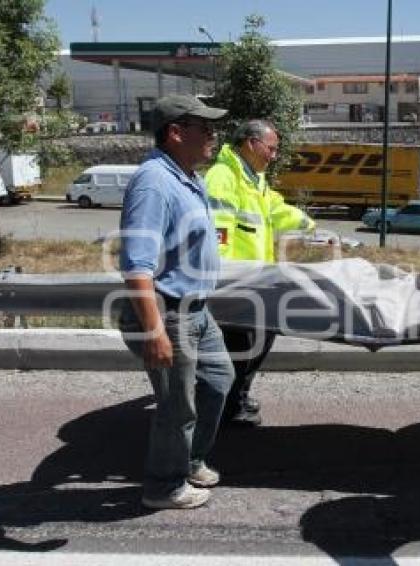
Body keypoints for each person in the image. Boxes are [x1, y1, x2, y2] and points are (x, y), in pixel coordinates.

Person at [118, 94, 235, 510]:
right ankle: (163, 485)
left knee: (219, 382)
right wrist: (154, 330)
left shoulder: (187, 176)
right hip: (168, 311)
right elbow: (136, 266)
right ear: (175, 132)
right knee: (177, 404)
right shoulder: (153, 182)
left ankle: (189, 460)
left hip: (197, 309)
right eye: (204, 127)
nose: (212, 135)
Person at [205, 119, 315, 426]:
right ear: (251, 144)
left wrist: (308, 224)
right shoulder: (223, 178)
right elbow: (218, 235)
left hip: (257, 283)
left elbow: (275, 210)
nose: (274, 155)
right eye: (271, 148)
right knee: (241, 348)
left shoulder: (255, 179)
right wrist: (223, 285)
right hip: (234, 285)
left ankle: (235, 396)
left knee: (262, 339)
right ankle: (227, 409)